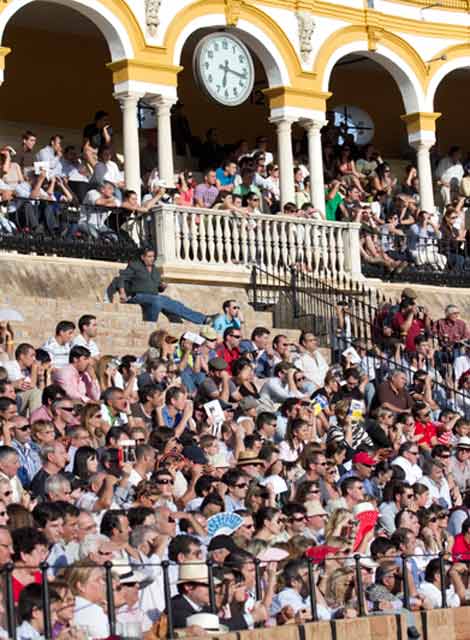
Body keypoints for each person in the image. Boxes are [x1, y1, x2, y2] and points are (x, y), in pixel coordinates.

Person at [117, 247, 215, 324]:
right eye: (149, 256)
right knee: (158, 300)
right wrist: (122, 293)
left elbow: (158, 288)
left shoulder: (155, 270)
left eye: (153, 256)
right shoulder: (135, 265)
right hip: (137, 296)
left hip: (153, 297)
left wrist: (162, 286)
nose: (152, 259)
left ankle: (203, 319)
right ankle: (150, 324)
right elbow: (122, 278)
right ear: (143, 257)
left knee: (174, 303)